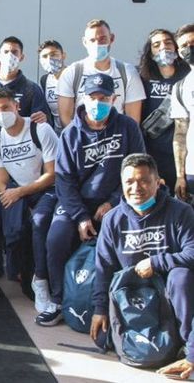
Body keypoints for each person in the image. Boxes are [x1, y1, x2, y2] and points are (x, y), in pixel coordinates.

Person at [40, 73, 146, 326]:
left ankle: (124, 301)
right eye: (93, 97)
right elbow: (64, 181)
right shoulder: (70, 134)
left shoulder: (128, 127)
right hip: (77, 203)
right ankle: (58, 300)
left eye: (104, 98)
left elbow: (138, 168)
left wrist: (113, 202)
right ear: (83, 99)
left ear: (114, 99)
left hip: (119, 201)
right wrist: (80, 217)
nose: (98, 103)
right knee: (56, 239)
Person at [90, 154, 194, 365]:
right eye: (129, 181)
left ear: (158, 182)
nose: (136, 188)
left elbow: (192, 252)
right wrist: (100, 309)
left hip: (170, 291)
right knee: (101, 337)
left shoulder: (181, 211)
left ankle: (186, 343)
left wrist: (156, 262)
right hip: (134, 294)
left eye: (144, 181)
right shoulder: (112, 219)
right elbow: (103, 268)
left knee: (181, 276)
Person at [0, 88, 59, 307]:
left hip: (46, 191)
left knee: (39, 222)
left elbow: (52, 175)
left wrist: (20, 193)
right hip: (16, 193)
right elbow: (1, 182)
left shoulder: (40, 129)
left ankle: (41, 281)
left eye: (5, 107)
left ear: (17, 106)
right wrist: (12, 196)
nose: (1, 113)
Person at [56, 19, 146, 127]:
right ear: (85, 42)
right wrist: (80, 135)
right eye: (92, 40)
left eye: (102, 39)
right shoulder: (71, 73)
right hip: (82, 135)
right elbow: (65, 117)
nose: (97, 44)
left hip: (117, 135)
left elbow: (133, 120)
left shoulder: (128, 72)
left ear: (111, 39)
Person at [138, 29, 190, 193]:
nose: (163, 48)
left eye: (168, 43)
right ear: (150, 52)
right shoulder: (143, 78)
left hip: (184, 152)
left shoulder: (187, 76)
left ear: (176, 48)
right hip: (154, 152)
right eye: (156, 45)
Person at [171, 23, 194, 203]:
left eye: (193, 43)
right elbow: (180, 134)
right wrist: (180, 175)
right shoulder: (181, 87)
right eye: (184, 45)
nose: (189, 48)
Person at [37, 40, 68, 133]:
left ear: (63, 55)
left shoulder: (74, 75)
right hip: (57, 135)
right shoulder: (45, 80)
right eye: (44, 56)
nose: (49, 59)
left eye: (53, 54)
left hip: (76, 134)